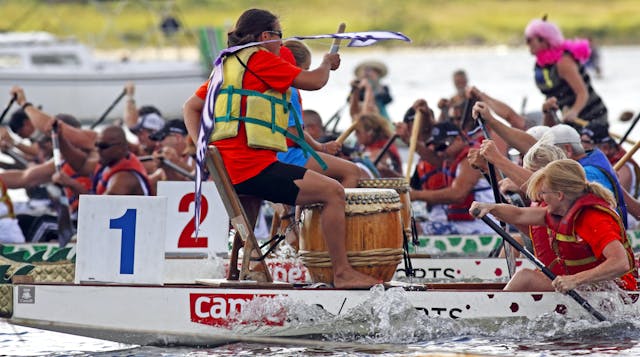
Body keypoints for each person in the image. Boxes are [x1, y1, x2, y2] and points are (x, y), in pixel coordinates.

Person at [182, 8, 379, 289]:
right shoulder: (260, 58)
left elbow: (190, 106)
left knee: (313, 191)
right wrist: (326, 63)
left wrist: (202, 148)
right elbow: (315, 81)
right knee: (333, 192)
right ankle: (342, 272)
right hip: (253, 170)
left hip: (232, 170)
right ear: (265, 36)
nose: (281, 44)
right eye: (279, 36)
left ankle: (241, 273)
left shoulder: (227, 64)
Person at [471, 159, 637, 292]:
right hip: (587, 286)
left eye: (544, 193)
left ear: (559, 195)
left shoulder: (594, 219)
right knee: (525, 278)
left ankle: (496, 310)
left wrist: (575, 280)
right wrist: (490, 207)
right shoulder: (558, 212)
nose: (540, 197)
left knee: (525, 279)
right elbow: (518, 214)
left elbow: (620, 263)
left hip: (617, 291)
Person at [277, 40, 362, 188]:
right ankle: (338, 210)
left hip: (277, 153)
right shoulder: (290, 90)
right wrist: (321, 147)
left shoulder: (273, 85)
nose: (307, 74)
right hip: (286, 155)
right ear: (296, 68)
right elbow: (294, 132)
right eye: (306, 69)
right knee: (352, 171)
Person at [410, 121, 494, 235]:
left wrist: (416, 195)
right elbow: (428, 155)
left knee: (415, 229)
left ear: (458, 139)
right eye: (436, 149)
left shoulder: (472, 158)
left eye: (442, 146)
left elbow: (458, 195)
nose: (439, 153)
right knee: (411, 224)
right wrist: (408, 139)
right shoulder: (450, 159)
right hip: (464, 223)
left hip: (482, 225)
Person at [524, 17, 607, 125]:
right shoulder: (542, 66)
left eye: (530, 40)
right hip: (568, 119)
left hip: (592, 118)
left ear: (545, 41)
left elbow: (582, 93)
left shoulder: (563, 62)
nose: (527, 44)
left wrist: (574, 112)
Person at [58, 125, 152, 196]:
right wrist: (60, 139)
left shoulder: (123, 179)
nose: (98, 150)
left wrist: (71, 184)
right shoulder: (111, 161)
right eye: (96, 145)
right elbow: (83, 166)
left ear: (122, 148)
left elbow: (99, 207)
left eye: (103, 146)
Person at [353, 112, 402, 177]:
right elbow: (355, 155)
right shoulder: (365, 148)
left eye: (358, 131)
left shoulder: (386, 148)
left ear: (370, 132)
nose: (355, 134)